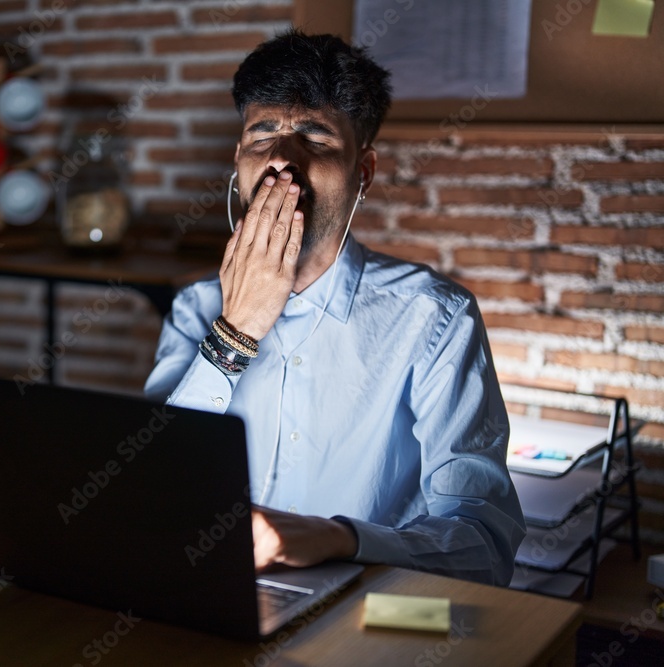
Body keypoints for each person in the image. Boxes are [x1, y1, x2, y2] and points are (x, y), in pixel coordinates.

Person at [144, 30, 525, 586]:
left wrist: (339, 538)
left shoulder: (435, 319)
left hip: (361, 614)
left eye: (315, 137)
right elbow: (149, 487)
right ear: (238, 161)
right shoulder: (196, 308)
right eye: (262, 135)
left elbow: (485, 546)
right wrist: (236, 329)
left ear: (362, 173)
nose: (281, 159)